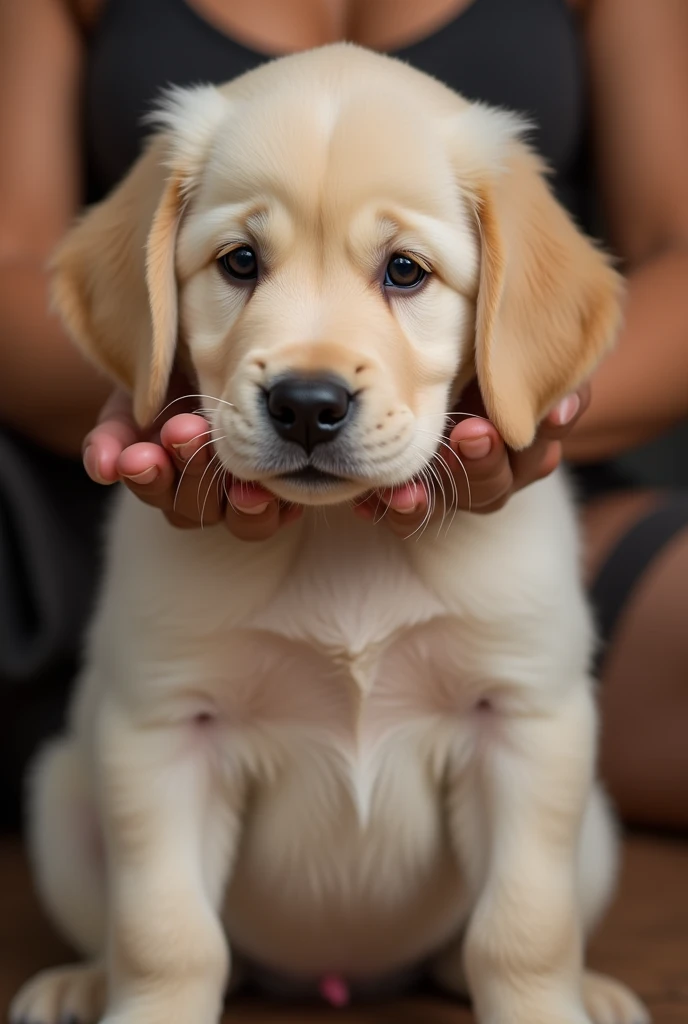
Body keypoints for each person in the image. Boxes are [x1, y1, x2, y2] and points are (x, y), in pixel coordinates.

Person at [1, 0, 687, 830]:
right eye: (242, 261)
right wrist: (185, 386)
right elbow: (13, 266)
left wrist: (505, 407)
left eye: (403, 267)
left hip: (510, 500)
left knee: (537, 713)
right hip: (143, 508)